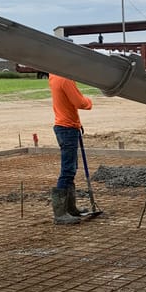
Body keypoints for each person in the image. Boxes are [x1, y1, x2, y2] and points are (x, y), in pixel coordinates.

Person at [47, 72, 94, 225]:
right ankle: (60, 214)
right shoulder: (65, 78)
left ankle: (70, 208)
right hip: (67, 128)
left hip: (65, 126)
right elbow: (79, 102)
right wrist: (89, 102)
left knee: (71, 169)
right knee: (68, 170)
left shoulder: (54, 75)